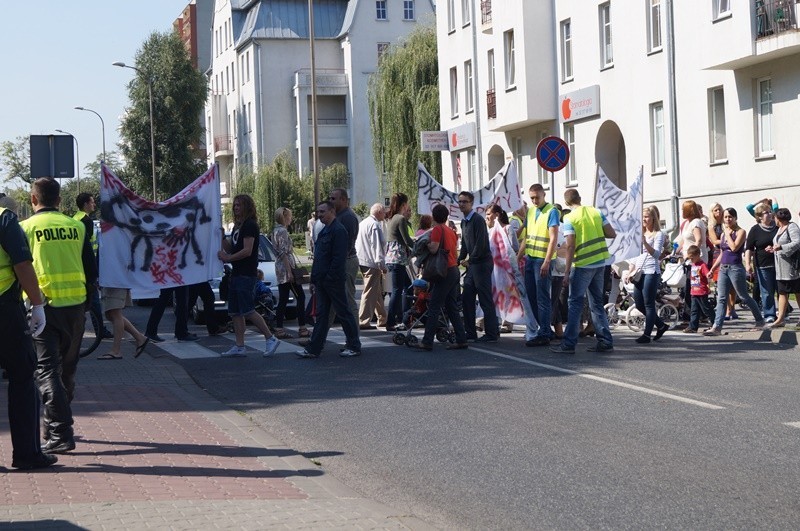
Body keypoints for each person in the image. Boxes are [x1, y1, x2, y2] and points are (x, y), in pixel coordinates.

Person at [20, 177, 96, 454]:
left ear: (33, 199)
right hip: (75, 307)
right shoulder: (76, 226)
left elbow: (20, 268)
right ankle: (56, 425)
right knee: (67, 370)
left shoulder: (25, 228)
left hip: (43, 308)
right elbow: (91, 268)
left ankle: (61, 432)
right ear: (59, 200)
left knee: (47, 371)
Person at [0, 204, 57, 469]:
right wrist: (37, 304)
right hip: (4, 310)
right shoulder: (4, 217)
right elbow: (22, 263)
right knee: (23, 377)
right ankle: (26, 454)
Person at [551, 188, 616, 354]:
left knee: (575, 303)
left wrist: (566, 272)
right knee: (596, 303)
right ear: (580, 198)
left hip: (583, 264)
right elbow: (611, 233)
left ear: (566, 203)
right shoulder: (595, 212)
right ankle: (605, 340)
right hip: (600, 262)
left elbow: (571, 245)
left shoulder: (569, 218)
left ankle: (568, 344)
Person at [296, 201, 361, 358]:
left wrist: (329, 278)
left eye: (322, 211)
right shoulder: (326, 230)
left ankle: (354, 345)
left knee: (343, 312)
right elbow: (319, 258)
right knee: (322, 315)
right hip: (323, 280)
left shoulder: (338, 231)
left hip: (333, 280)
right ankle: (314, 349)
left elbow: (338, 259)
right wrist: (314, 280)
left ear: (332, 212)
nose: (319, 215)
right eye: (318, 212)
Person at [218, 194, 281, 357]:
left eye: (239, 205)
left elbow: (247, 251)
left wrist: (228, 258)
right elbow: (232, 248)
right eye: (235, 205)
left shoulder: (250, 225)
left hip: (246, 273)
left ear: (247, 207)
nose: (235, 208)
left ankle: (270, 338)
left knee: (247, 310)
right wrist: (221, 236)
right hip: (237, 273)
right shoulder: (238, 227)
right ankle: (239, 345)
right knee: (235, 311)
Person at [408, 203, 468, 351]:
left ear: (434, 217)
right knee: (451, 306)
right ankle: (461, 338)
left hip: (443, 271)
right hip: (453, 269)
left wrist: (426, 244)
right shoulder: (450, 231)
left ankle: (427, 341)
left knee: (434, 305)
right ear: (446, 216)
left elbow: (434, 249)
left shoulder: (437, 230)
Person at [705, 208, 765, 336]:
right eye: (726, 217)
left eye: (730, 217)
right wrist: (713, 268)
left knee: (743, 296)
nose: (727, 219)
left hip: (735, 268)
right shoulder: (722, 234)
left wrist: (727, 233)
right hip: (723, 268)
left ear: (735, 218)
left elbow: (734, 247)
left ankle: (760, 320)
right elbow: (722, 253)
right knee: (721, 298)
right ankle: (717, 327)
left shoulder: (740, 232)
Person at [517, 184, 559, 346]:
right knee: (531, 296)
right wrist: (517, 257)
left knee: (542, 298)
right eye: (532, 197)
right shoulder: (531, 211)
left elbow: (554, 238)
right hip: (530, 259)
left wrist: (547, 261)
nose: (534, 200)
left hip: (542, 260)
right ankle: (543, 328)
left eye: (537, 197)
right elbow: (527, 238)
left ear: (544, 195)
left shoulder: (552, 211)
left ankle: (544, 333)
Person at [458, 191, 499, 342]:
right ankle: (470, 332)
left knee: (485, 299)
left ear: (471, 203)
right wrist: (459, 259)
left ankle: (491, 333)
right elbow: (465, 245)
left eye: (465, 201)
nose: (461, 204)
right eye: (460, 201)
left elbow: (480, 244)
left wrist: (470, 260)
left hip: (481, 264)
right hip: (473, 265)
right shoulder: (464, 222)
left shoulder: (477, 220)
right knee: (467, 297)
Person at [73, 192, 112, 339]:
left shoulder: (75, 219)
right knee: (94, 301)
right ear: (85, 204)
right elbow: (87, 249)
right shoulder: (86, 221)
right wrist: (94, 272)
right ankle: (100, 330)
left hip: (78, 266)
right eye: (92, 202)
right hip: (87, 267)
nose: (94, 205)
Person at [629, 205, 669, 344]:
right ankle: (661, 325)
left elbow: (657, 254)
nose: (644, 219)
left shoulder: (659, 234)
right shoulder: (640, 233)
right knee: (639, 303)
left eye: (646, 217)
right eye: (643, 217)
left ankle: (647, 335)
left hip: (652, 271)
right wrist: (630, 270)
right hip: (639, 271)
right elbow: (635, 255)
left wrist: (645, 243)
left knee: (649, 304)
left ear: (653, 218)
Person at [271, 206, 309, 339]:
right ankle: (302, 328)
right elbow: (284, 253)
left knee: (283, 299)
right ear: (285, 217)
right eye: (289, 216)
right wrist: (290, 272)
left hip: (280, 267)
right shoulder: (283, 231)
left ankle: (279, 328)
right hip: (287, 268)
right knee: (300, 296)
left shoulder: (275, 230)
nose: (291, 219)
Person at [355, 203, 388, 330]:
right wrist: (381, 264)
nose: (385, 215)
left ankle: (382, 317)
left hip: (363, 260)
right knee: (369, 291)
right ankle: (363, 320)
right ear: (379, 212)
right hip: (372, 262)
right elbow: (377, 246)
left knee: (376, 291)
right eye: (384, 212)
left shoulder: (363, 223)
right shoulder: (374, 225)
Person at [385, 193, 415, 331]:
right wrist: (418, 247)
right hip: (398, 258)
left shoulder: (391, 218)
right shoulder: (401, 218)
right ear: (404, 204)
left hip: (391, 257)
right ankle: (392, 321)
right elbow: (406, 240)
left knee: (406, 287)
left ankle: (404, 318)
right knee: (399, 290)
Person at [745, 203, 778, 324]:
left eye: (770, 212)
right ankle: (769, 314)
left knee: (781, 290)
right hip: (763, 265)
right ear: (759, 216)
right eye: (766, 212)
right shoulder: (755, 229)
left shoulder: (777, 226)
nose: (770, 214)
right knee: (767, 291)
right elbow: (749, 248)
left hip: (779, 263)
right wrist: (748, 264)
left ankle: (783, 314)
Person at [328, 188, 359, 319]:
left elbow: (348, 243)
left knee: (347, 299)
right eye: (330, 198)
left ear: (344, 200)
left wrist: (337, 263)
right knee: (331, 302)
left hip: (346, 261)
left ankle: (354, 336)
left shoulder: (348, 217)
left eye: (333, 198)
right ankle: (319, 336)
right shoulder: (339, 216)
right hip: (340, 261)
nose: (330, 201)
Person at [767, 208, 800, 328]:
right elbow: (778, 245)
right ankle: (780, 319)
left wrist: (781, 247)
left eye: (774, 217)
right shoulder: (779, 229)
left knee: (797, 291)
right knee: (781, 292)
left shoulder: (792, 227)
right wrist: (773, 248)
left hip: (792, 267)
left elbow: (797, 242)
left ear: (778, 218)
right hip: (780, 268)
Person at [677, 200, 708, 319]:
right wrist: (676, 251)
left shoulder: (696, 222)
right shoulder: (687, 223)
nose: (682, 211)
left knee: (692, 288)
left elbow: (698, 240)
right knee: (689, 288)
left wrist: (693, 255)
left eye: (683, 209)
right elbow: (684, 240)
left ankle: (694, 315)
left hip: (695, 261)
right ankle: (693, 316)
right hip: (687, 259)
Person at [683, 245, 715, 333]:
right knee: (694, 310)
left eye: (692, 258)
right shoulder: (692, 265)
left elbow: (707, 274)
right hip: (694, 291)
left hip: (701, 291)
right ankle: (693, 327)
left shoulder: (702, 265)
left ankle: (714, 323)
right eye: (690, 258)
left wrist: (709, 275)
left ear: (698, 255)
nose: (691, 260)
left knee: (706, 309)